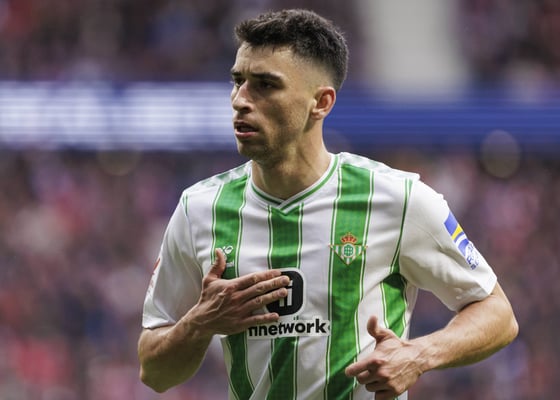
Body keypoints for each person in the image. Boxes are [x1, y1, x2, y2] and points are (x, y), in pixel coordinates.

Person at [138, 9, 518, 400]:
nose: (240, 100)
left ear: (321, 102)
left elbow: (498, 313)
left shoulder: (398, 198)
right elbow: (153, 371)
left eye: (265, 85)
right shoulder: (198, 209)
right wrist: (199, 323)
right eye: (238, 81)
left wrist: (419, 355)